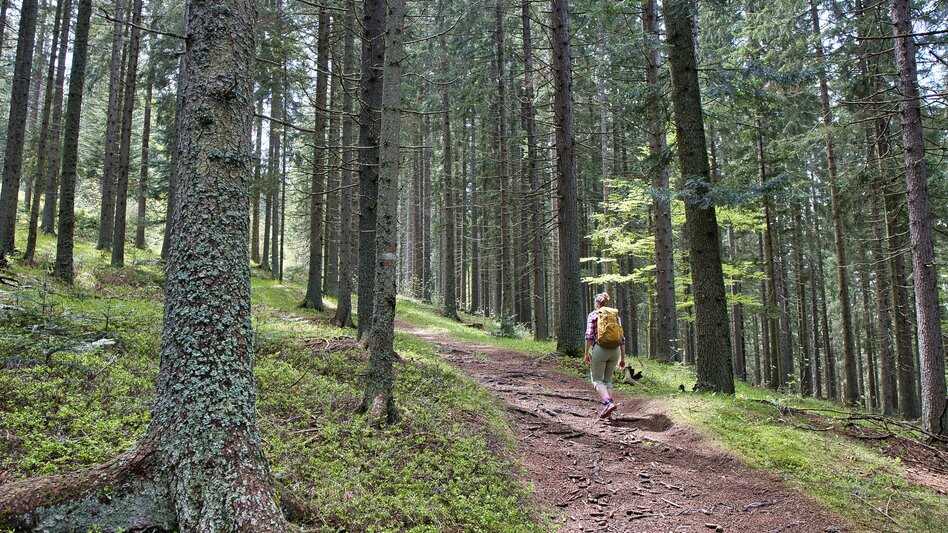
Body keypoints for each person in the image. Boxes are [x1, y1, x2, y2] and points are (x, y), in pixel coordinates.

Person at [584, 292, 626, 418]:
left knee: (596, 379)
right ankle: (609, 412)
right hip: (615, 351)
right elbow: (622, 338)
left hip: (600, 349)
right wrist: (622, 358)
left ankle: (608, 403)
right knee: (607, 380)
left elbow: (589, 336)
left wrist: (586, 353)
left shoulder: (593, 315)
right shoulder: (616, 316)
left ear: (597, 304)